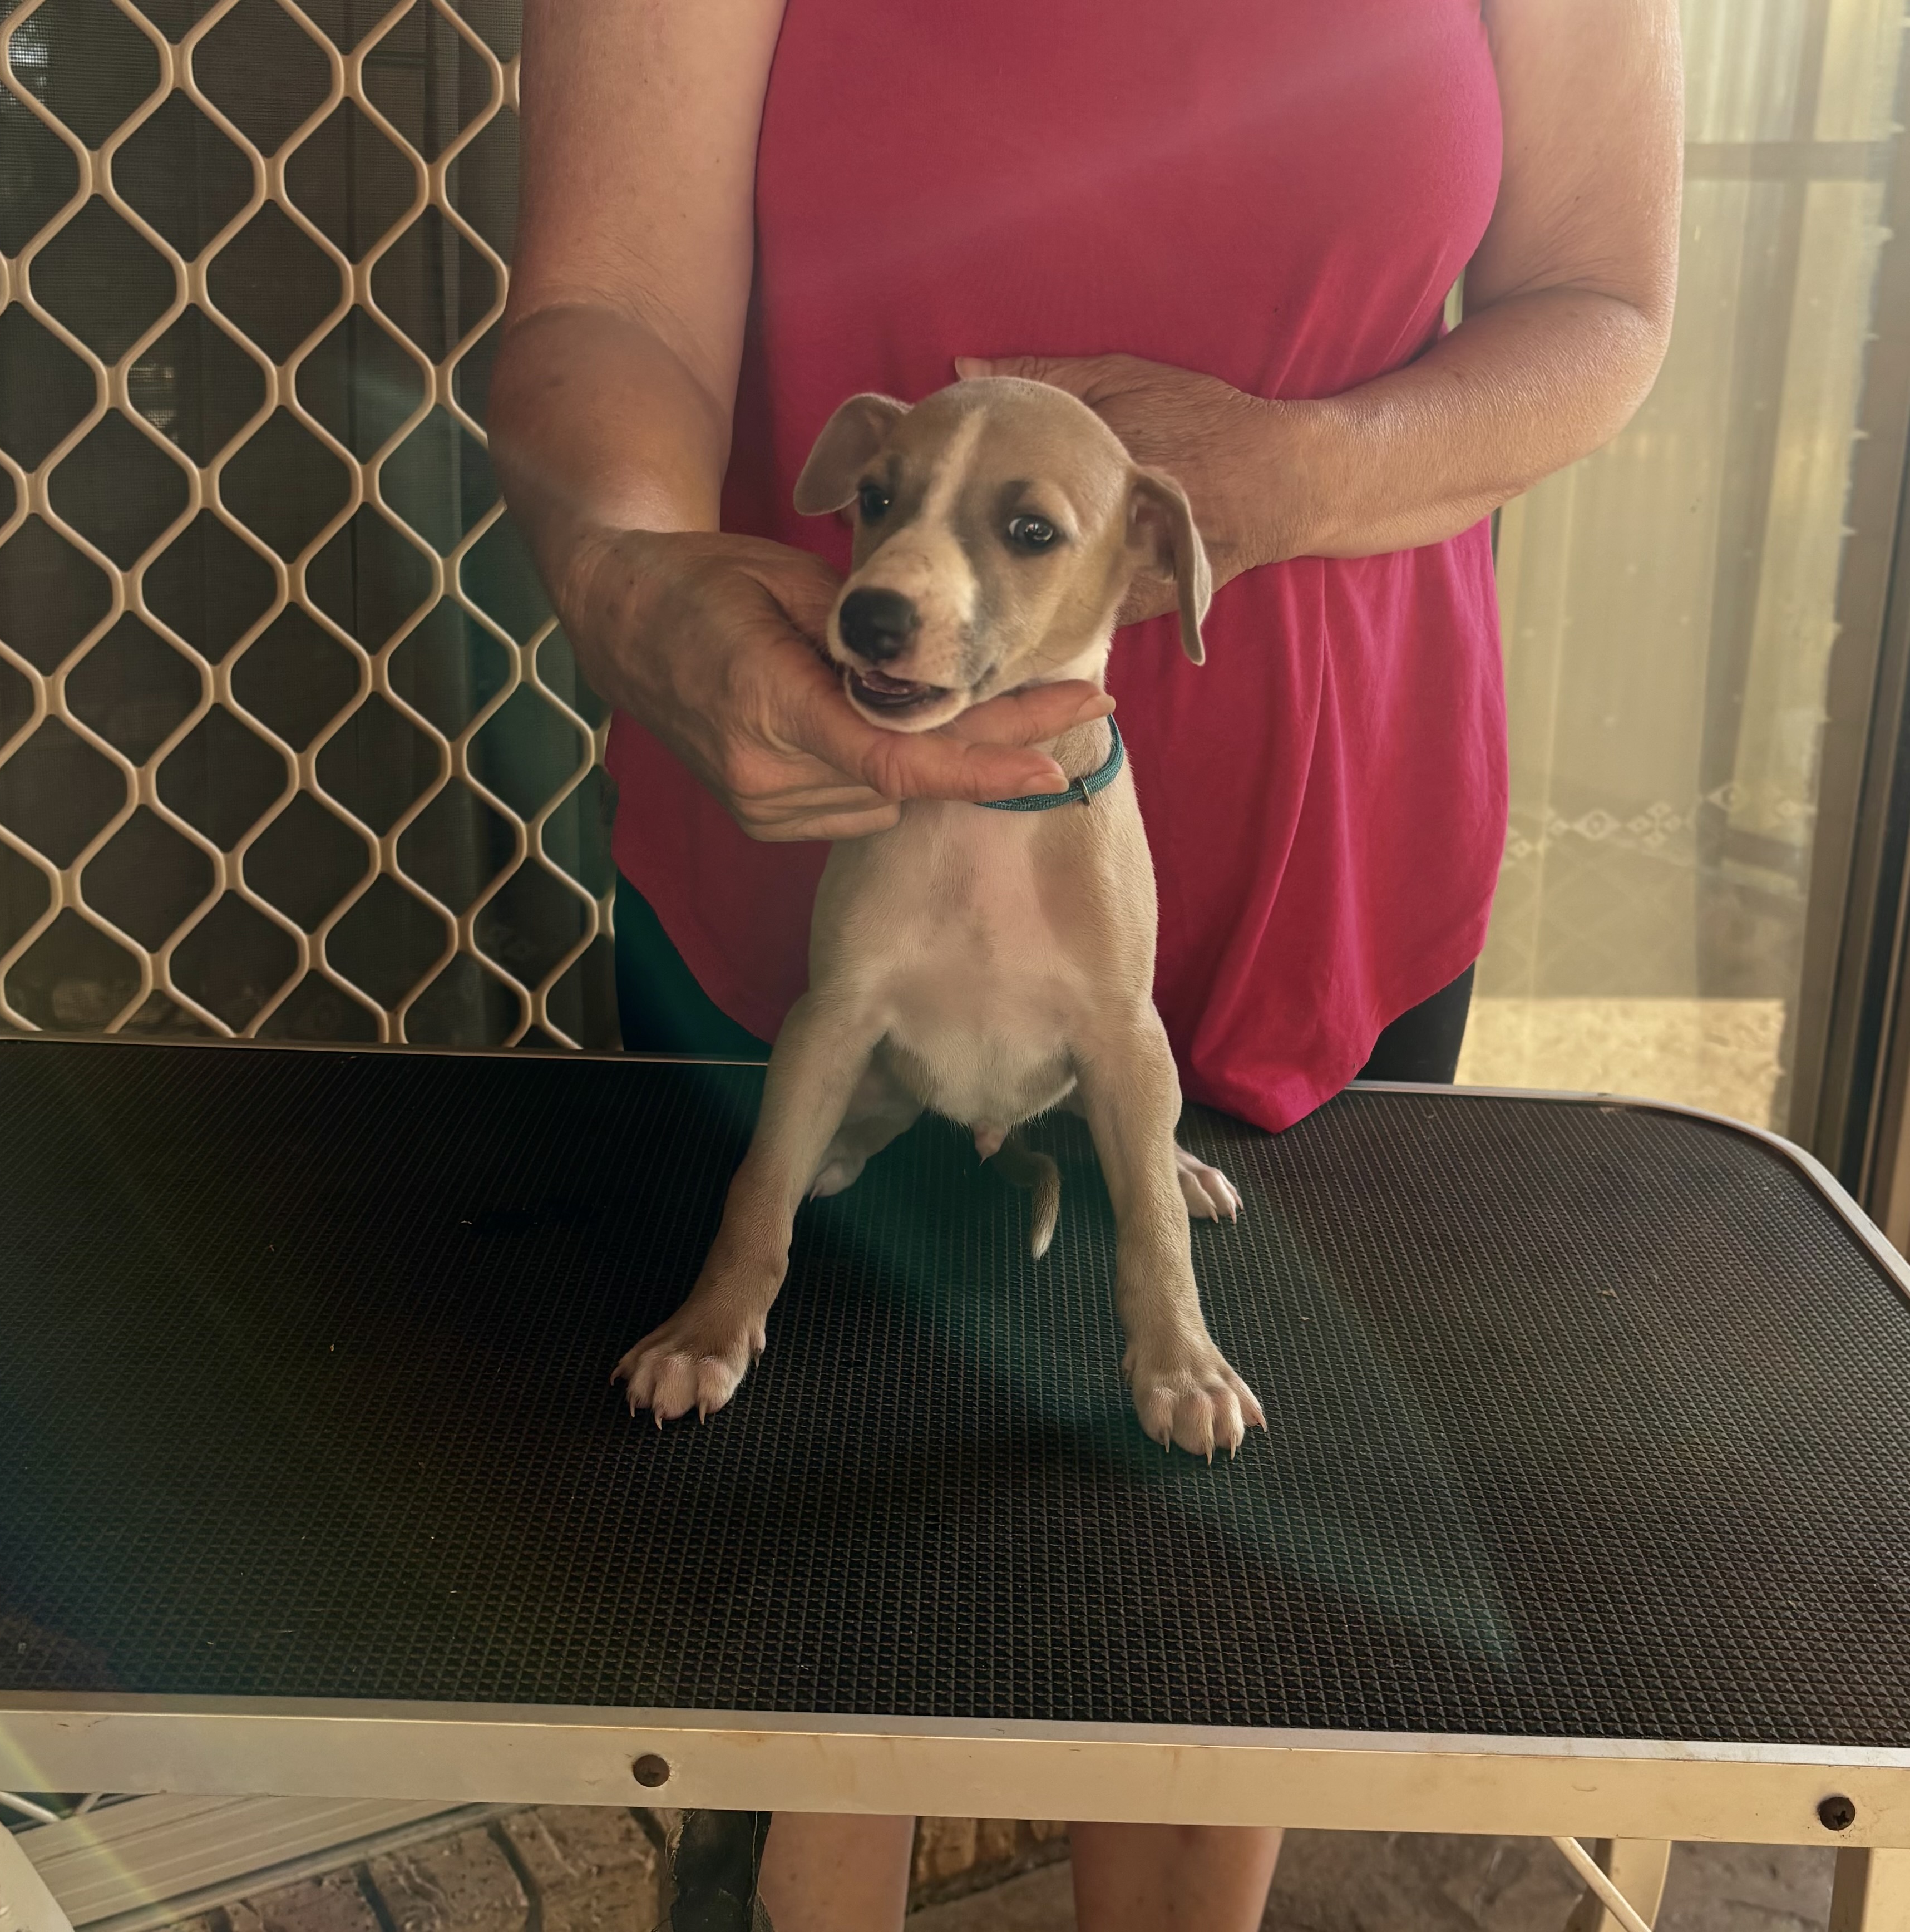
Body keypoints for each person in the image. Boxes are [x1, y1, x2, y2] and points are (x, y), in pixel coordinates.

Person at [488, 1, 1681, 1924]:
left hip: (1316, 853)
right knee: (801, 1637)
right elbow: (605, 300)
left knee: (1215, 1632)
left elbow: (1602, 304)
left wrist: (1294, 477)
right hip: (804, 794)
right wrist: (627, 576)